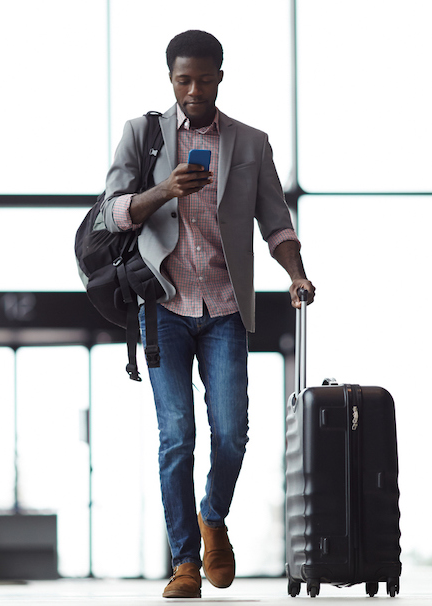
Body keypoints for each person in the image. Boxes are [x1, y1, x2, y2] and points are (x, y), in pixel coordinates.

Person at [101, 29, 316, 598]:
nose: (194, 90)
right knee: (176, 436)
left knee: (231, 433)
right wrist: (163, 190)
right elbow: (112, 213)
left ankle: (212, 515)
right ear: (170, 80)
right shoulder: (142, 136)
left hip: (223, 307)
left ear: (220, 75)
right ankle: (184, 562)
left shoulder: (249, 143)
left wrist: (295, 274)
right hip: (163, 303)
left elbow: (277, 222)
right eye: (182, 80)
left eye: (203, 78)